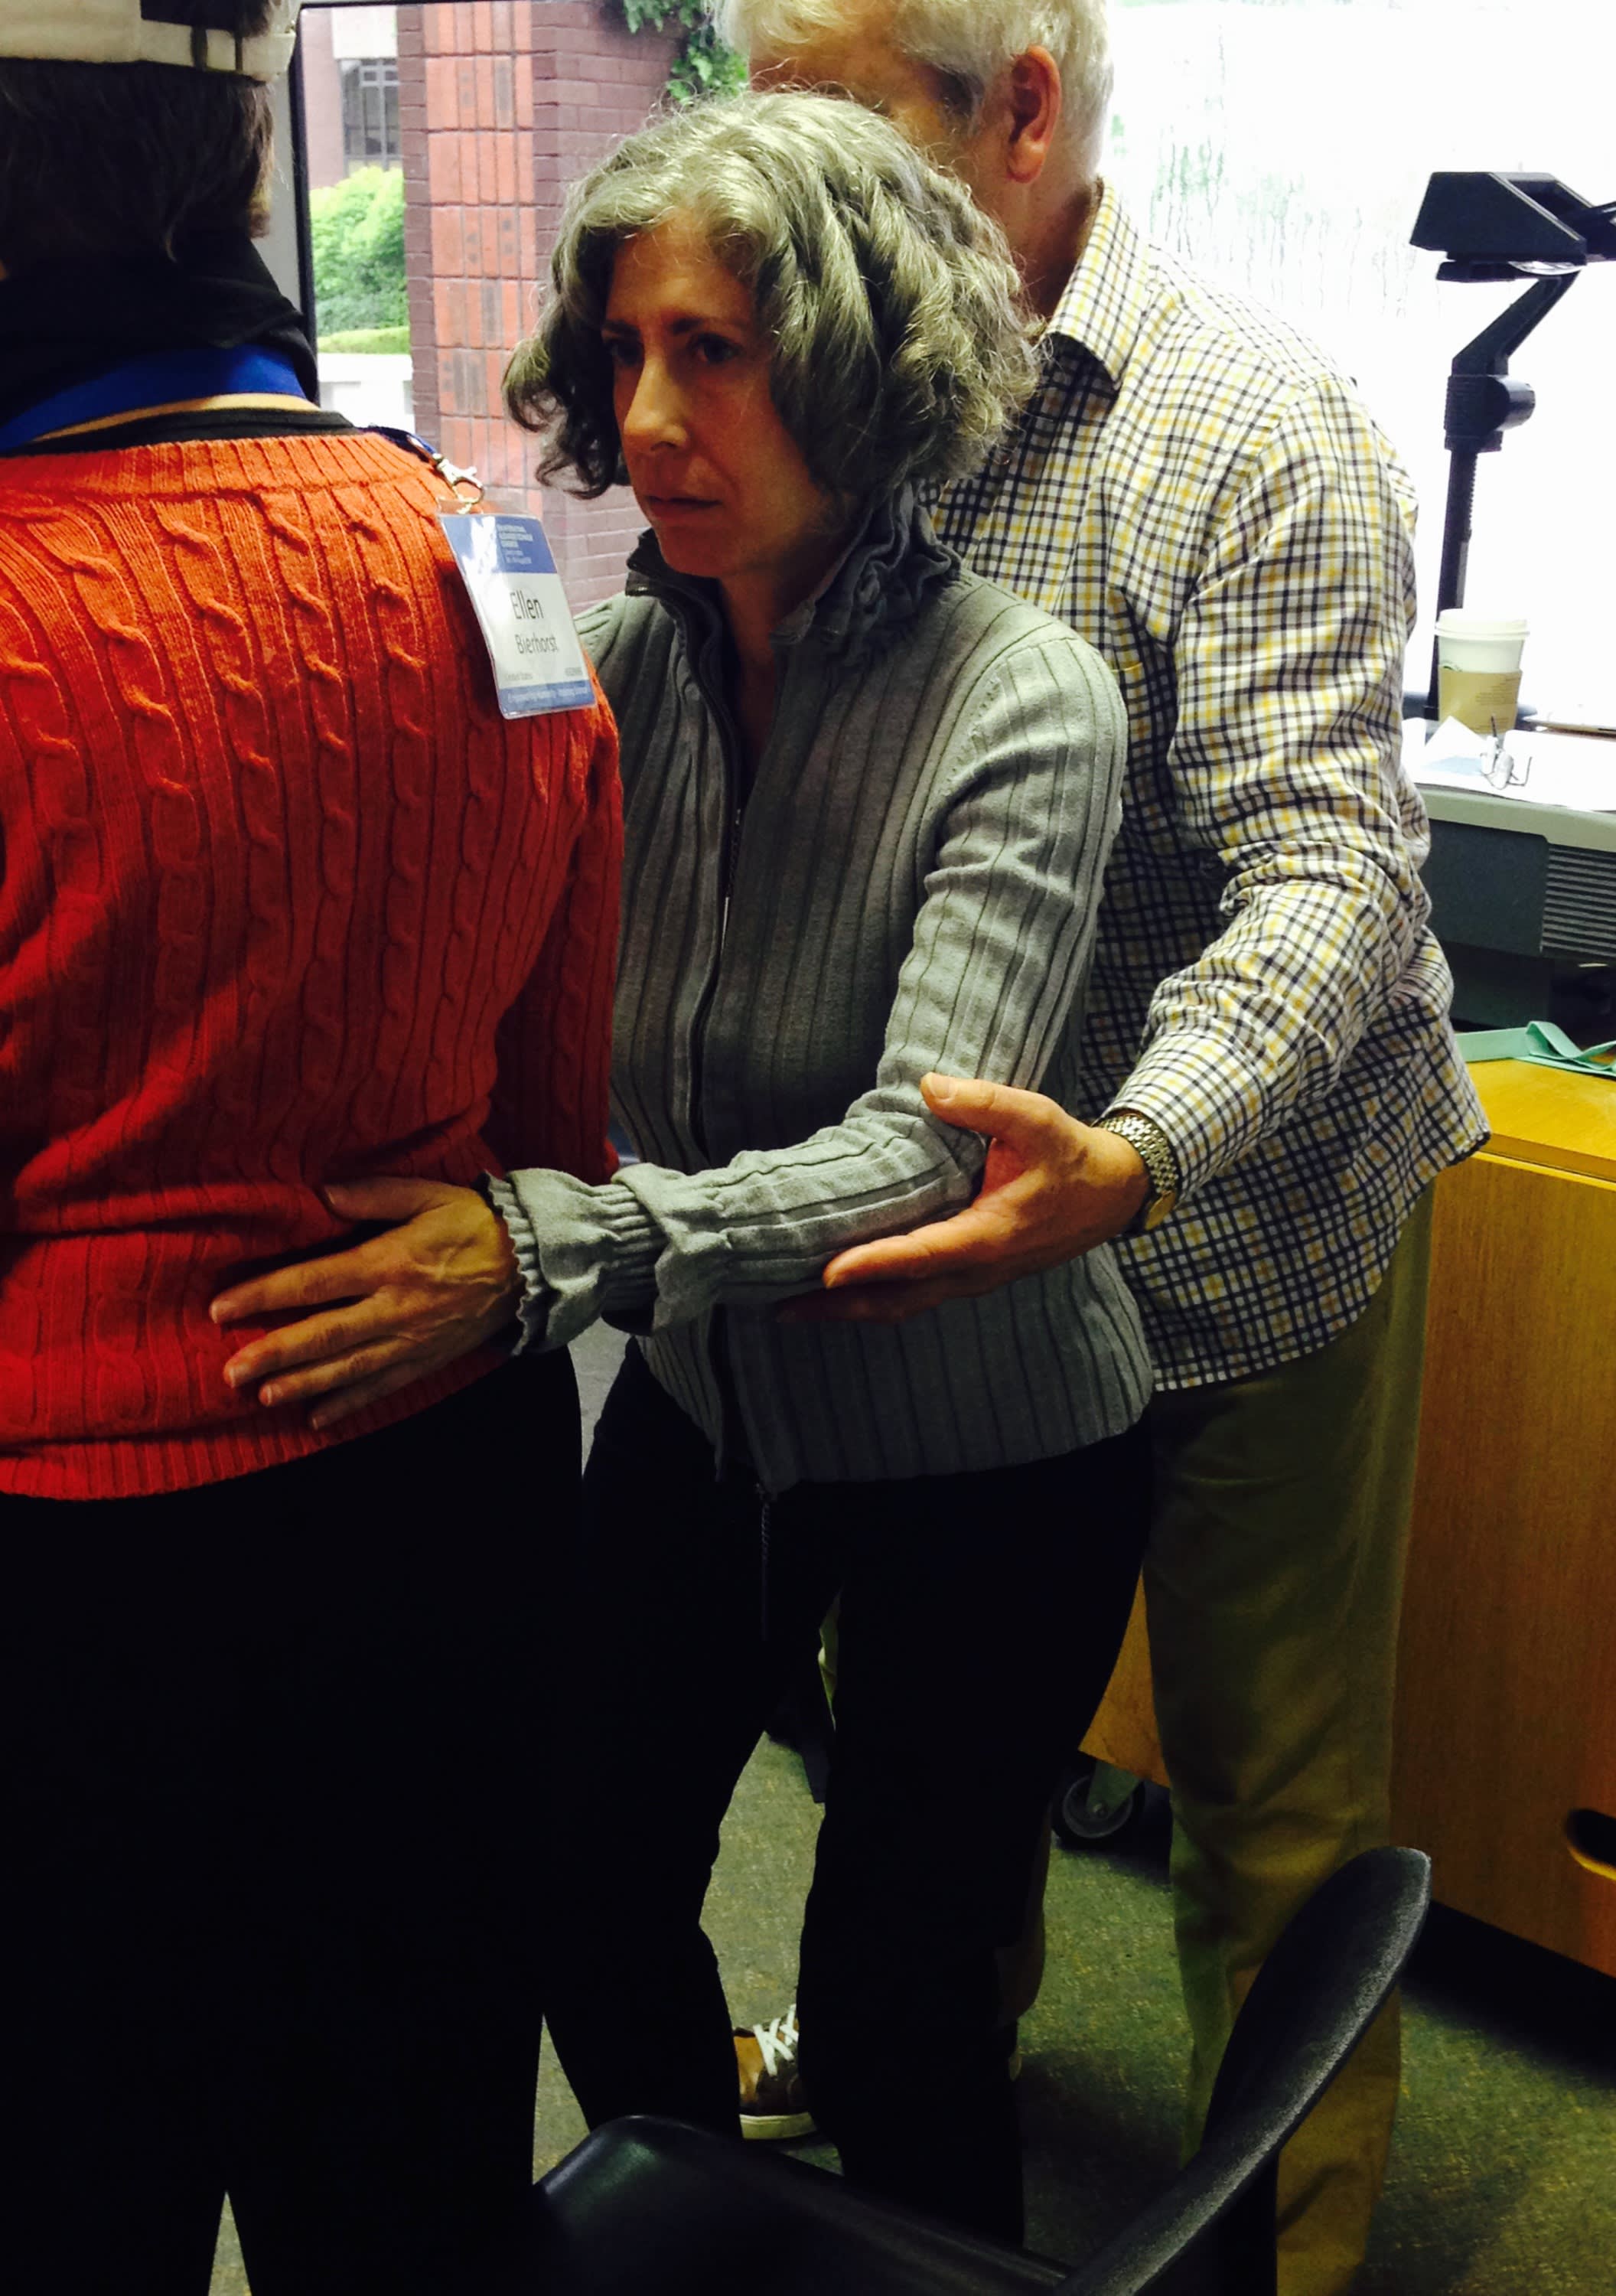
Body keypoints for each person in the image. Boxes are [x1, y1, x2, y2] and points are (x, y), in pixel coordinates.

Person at [215, 89, 1157, 2246]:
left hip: (987, 1447)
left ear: (857, 369)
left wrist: (545, 1250)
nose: (646, 419)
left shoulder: (1026, 700)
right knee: (577, 1875)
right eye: (625, 350)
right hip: (710, 1405)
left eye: (713, 354)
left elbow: (922, 1157)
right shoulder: (616, 666)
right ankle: (706, 2241)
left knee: (897, 1995)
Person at [702, 5, 1491, 2290]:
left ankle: (1284, 2245)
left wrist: (1132, 1155)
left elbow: (1331, 879)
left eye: (839, 124)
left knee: (1269, 1799)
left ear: (1021, 111)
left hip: (1245, 1220)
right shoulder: (838, 395)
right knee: (934, 1740)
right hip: (973, 1241)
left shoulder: (1250, 428)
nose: (780, 186)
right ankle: (919, 2053)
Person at [0, 6, 621, 2290]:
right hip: (448, 1513)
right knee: (415, 2189)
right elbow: (554, 1130)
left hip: (69, 1592)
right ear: (239, 170)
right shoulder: (494, 555)